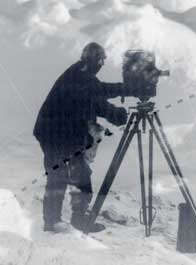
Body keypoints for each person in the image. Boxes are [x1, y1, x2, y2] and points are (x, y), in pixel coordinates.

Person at [33, 42, 128, 233]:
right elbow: (100, 97)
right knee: (71, 178)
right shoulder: (81, 77)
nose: (101, 64)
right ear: (95, 60)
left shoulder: (78, 74)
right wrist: (118, 112)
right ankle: (64, 222)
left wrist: (125, 91)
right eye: (101, 60)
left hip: (57, 134)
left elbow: (98, 94)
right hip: (57, 136)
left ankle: (62, 221)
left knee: (68, 177)